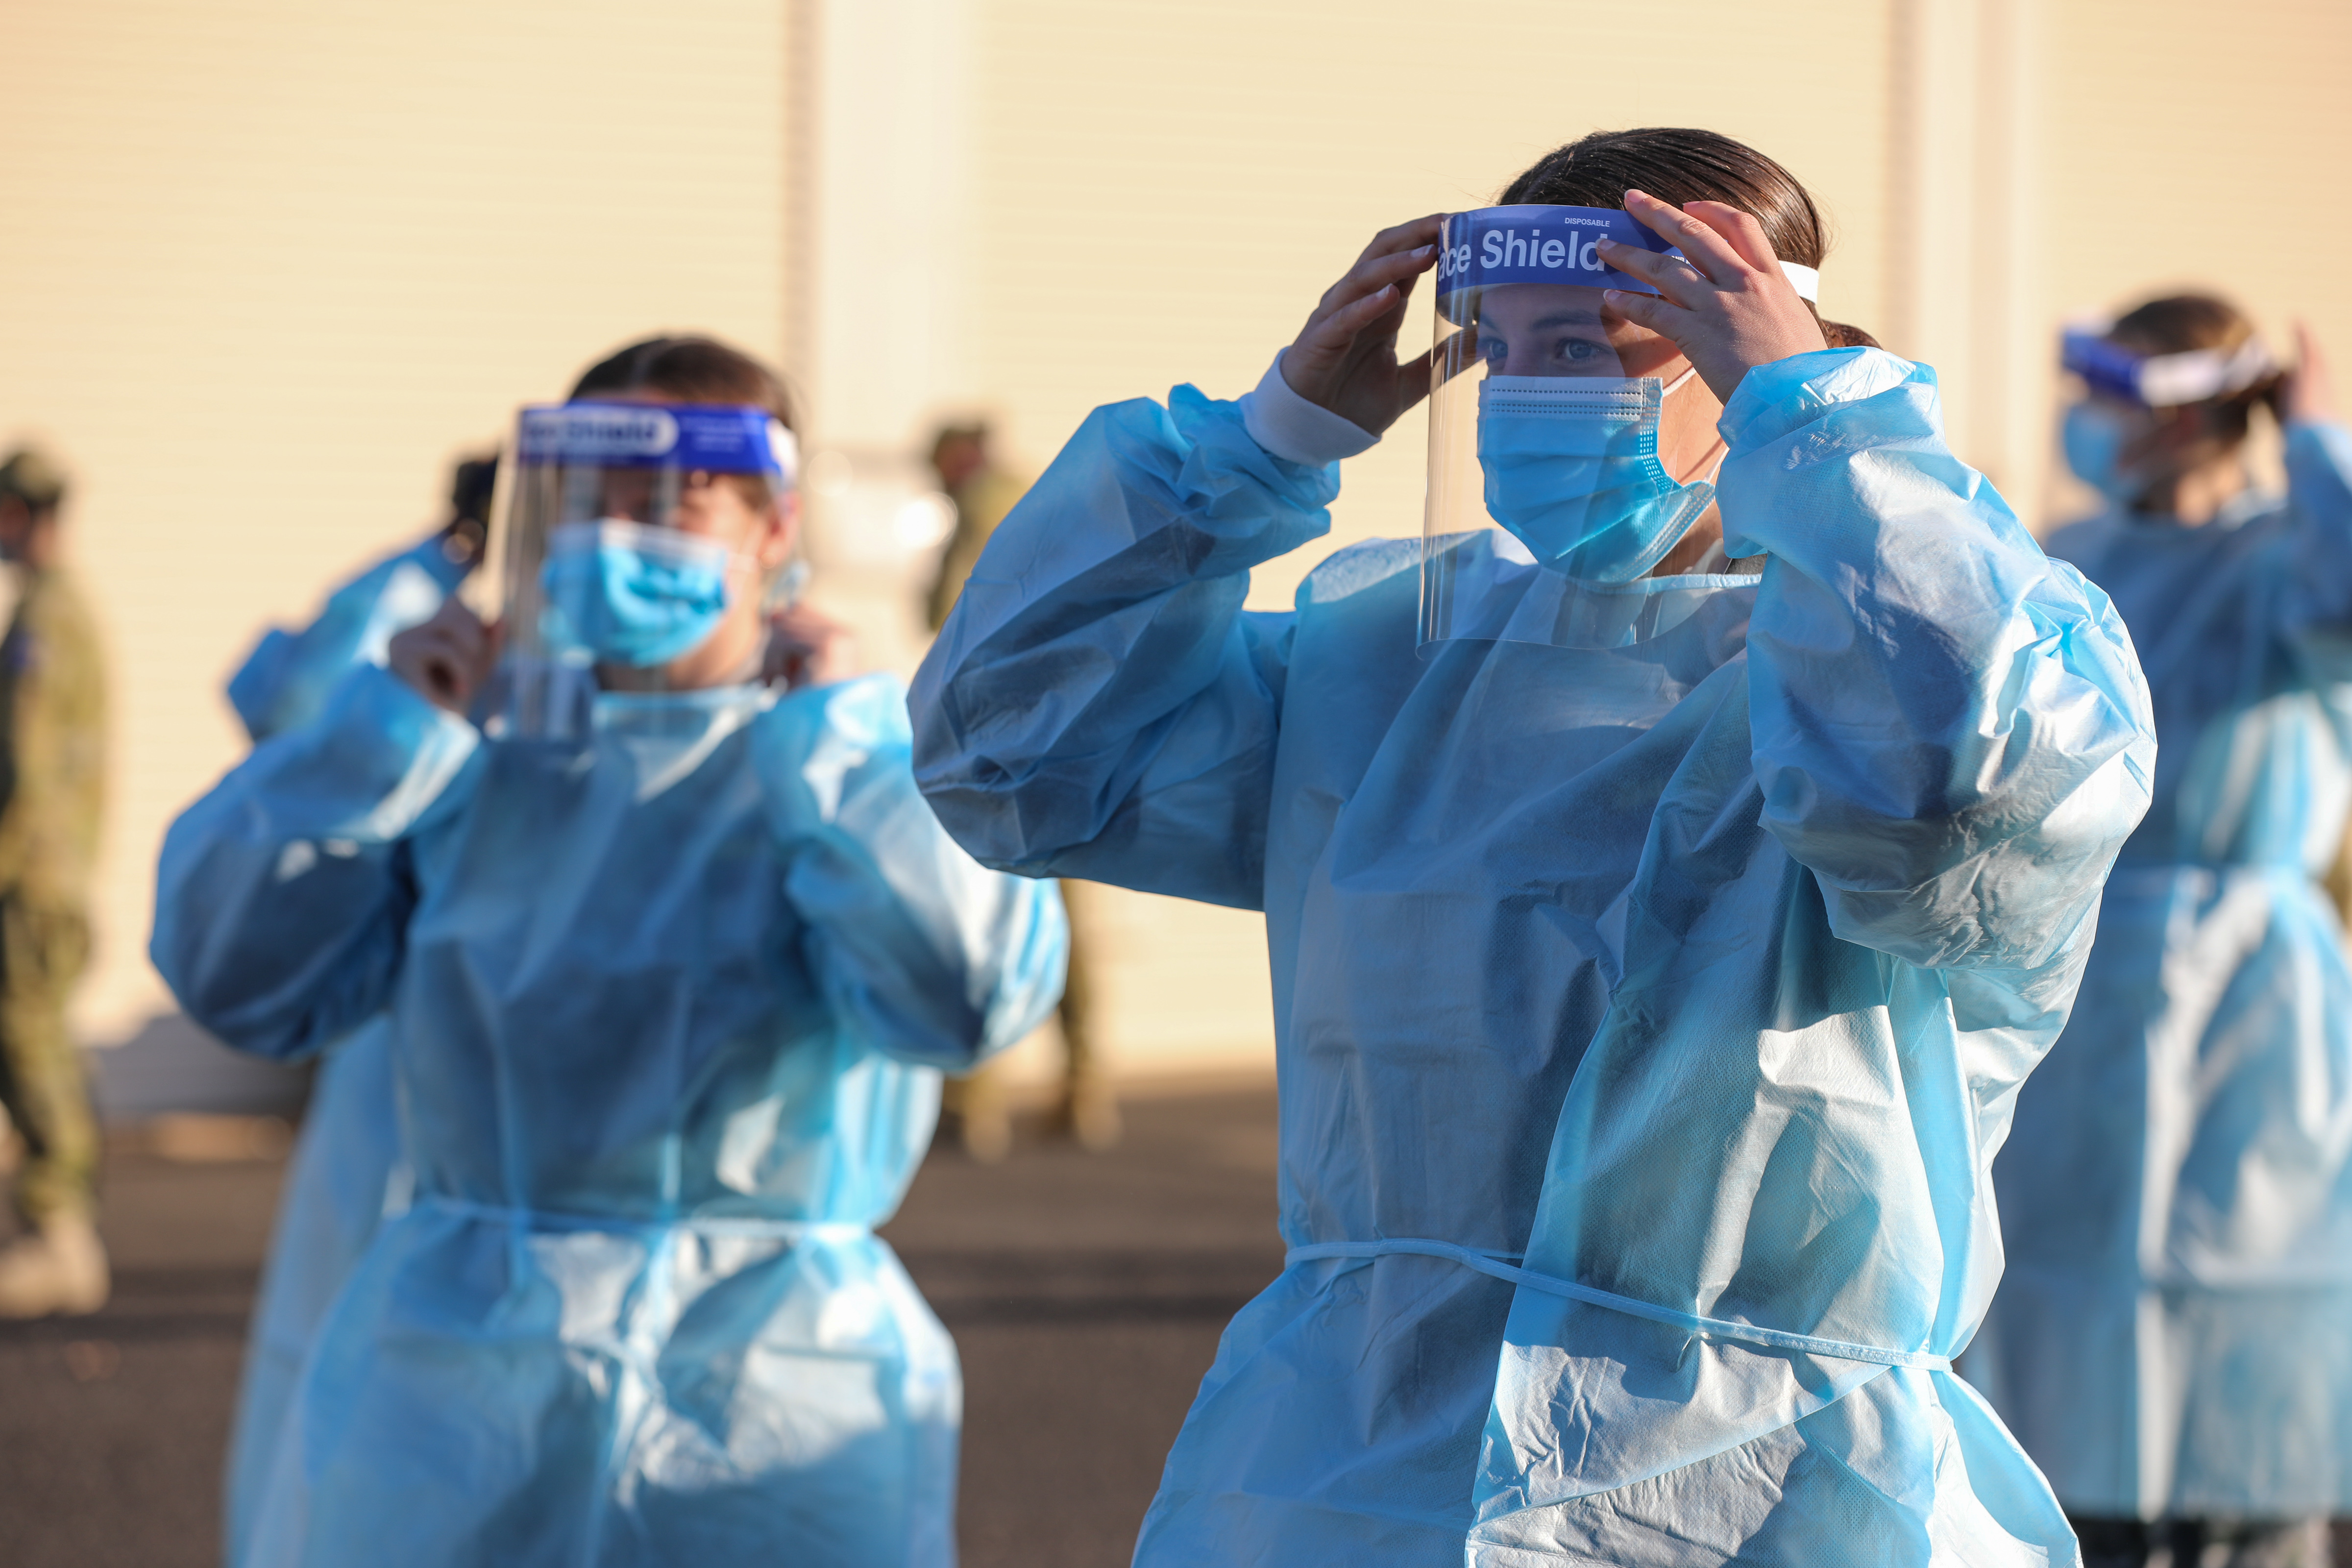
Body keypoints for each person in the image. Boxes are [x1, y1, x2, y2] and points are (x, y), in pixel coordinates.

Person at [910, 126, 2155, 1566]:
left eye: (1594, 344)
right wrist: (1267, 443)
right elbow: (1009, 753)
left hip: (1757, 1493)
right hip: (1363, 1464)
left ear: (1743, 347)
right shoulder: (1384, 668)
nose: (1532, 396)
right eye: (1504, 352)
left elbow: (1966, 798)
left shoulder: (1905, 670)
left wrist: (1825, 427)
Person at [152, 335, 1066, 1567]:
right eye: (597, 493)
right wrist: (379, 739)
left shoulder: (841, 762)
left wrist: (841, 754)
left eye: (678, 495)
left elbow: (966, 999)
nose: (628, 529)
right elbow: (234, 975)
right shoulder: (461, 755)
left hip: (777, 1388)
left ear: (772, 525)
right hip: (459, 1391)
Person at [1966, 297, 2352, 1568]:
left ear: (2185, 407)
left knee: (2251, 1323)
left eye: (2114, 391)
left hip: (2251, 997)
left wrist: (2317, 444)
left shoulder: (2286, 557)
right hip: (2074, 984)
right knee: (2050, 1349)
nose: (2089, 420)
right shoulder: (2070, 556)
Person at [218, 455, 492, 1565]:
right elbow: (289, 719)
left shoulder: (405, 587)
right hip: (408, 1008)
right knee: (360, 1313)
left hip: (457, 1015)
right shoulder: (418, 604)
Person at [925, 421, 1117, 1158]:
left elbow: (945, 608)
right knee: (1068, 915)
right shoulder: (1050, 496)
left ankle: (975, 1101)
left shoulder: (977, 506)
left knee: (986, 912)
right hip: (1068, 722)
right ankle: (1084, 1085)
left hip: (993, 727)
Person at [0, 446, 110, 1319]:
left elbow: (28, 776)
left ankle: (58, 1235)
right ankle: (57, 1230)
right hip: (48, 877)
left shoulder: (47, 620)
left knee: (29, 1044)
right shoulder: (62, 612)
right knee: (37, 1045)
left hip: (32, 881)